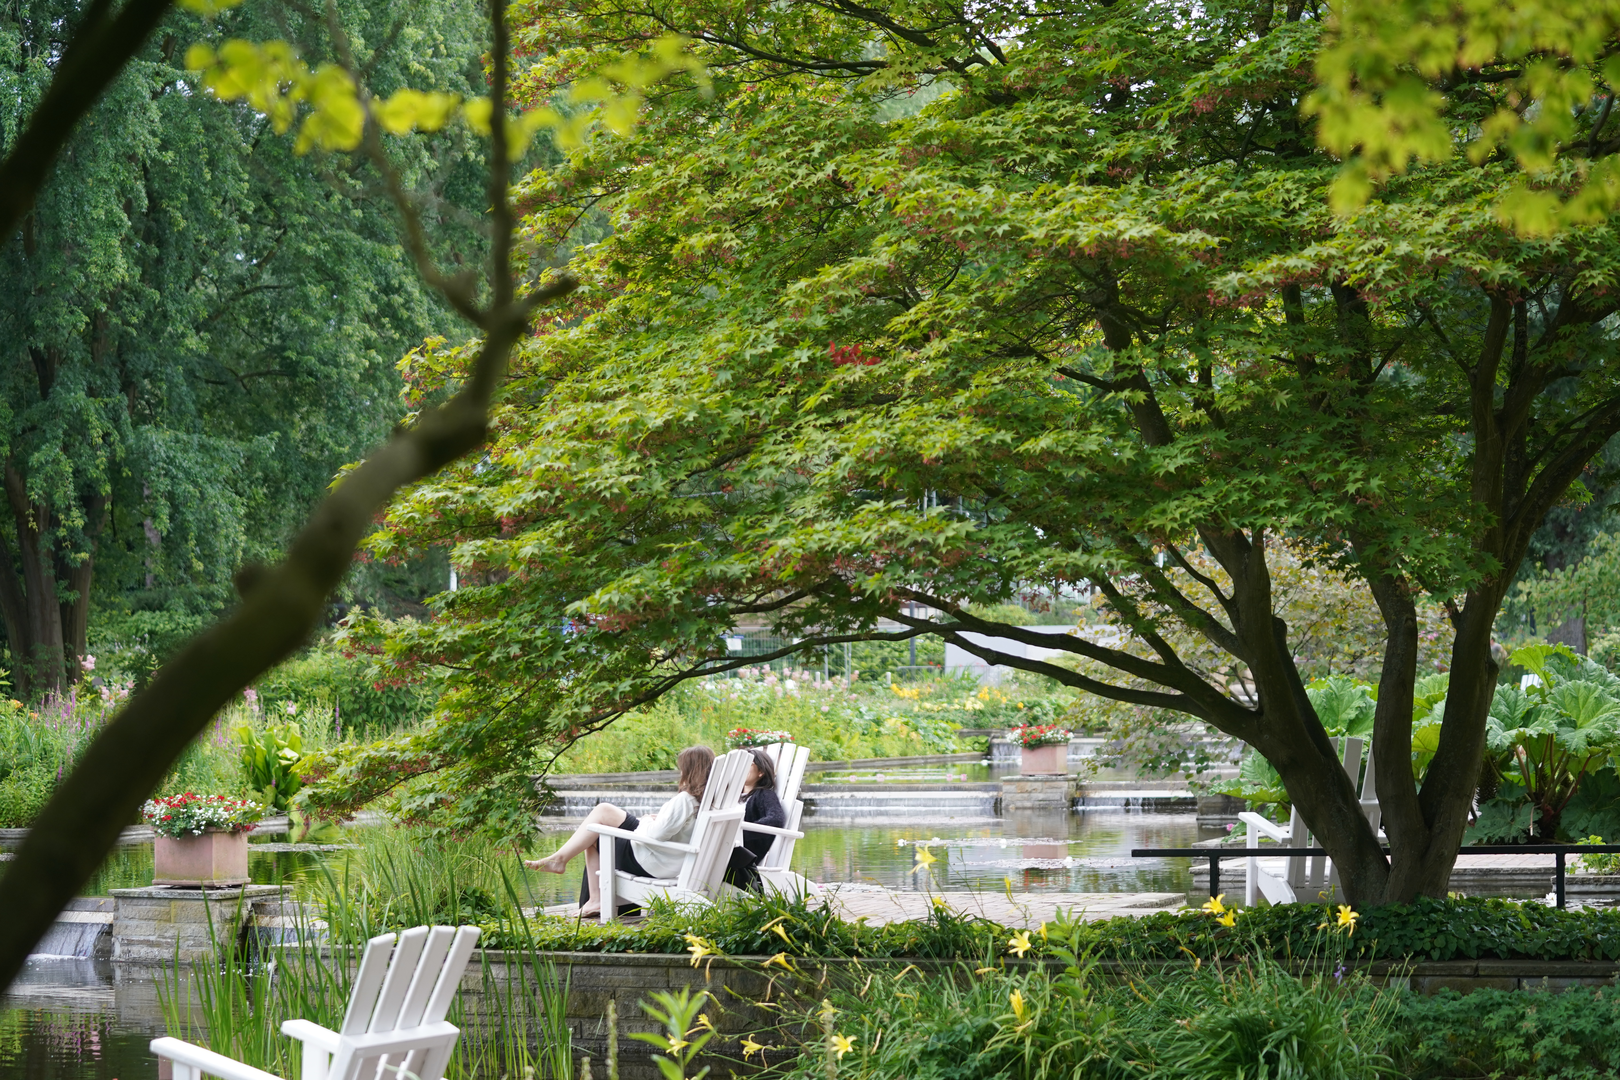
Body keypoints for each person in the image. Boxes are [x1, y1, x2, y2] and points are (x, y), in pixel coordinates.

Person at [526, 745, 714, 917]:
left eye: (682, 768)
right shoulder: (707, 801)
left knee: (595, 830)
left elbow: (656, 834)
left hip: (650, 860)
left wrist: (647, 820)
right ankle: (567, 867)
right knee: (603, 813)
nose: (679, 772)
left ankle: (588, 891)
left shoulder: (686, 800)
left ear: (690, 771)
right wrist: (658, 819)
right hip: (667, 858)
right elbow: (673, 827)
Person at [725, 747, 787, 892]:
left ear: (761, 772)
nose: (741, 768)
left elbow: (776, 819)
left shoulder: (763, 795)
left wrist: (741, 831)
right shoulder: (731, 795)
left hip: (741, 852)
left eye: (748, 764)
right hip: (726, 845)